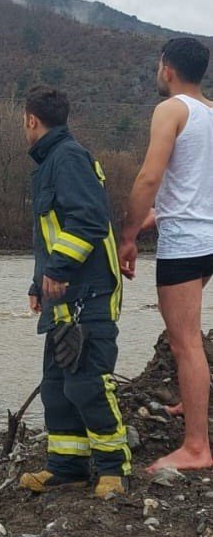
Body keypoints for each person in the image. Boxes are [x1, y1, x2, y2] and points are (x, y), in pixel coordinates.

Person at [18, 85, 132, 497]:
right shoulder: (50, 162)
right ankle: (65, 466)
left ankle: (112, 469)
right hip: (61, 297)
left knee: (87, 383)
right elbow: (48, 235)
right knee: (56, 386)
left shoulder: (67, 158)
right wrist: (38, 283)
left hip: (91, 294)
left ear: (31, 119)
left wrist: (60, 268)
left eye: (23, 120)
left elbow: (89, 219)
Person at [119, 37, 213, 473]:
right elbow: (197, 184)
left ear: (167, 67)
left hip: (186, 244)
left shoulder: (171, 109)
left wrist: (128, 235)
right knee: (188, 337)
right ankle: (189, 404)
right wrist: (164, 216)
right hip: (208, 238)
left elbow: (148, 177)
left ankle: (196, 447)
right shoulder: (211, 112)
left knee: (185, 342)